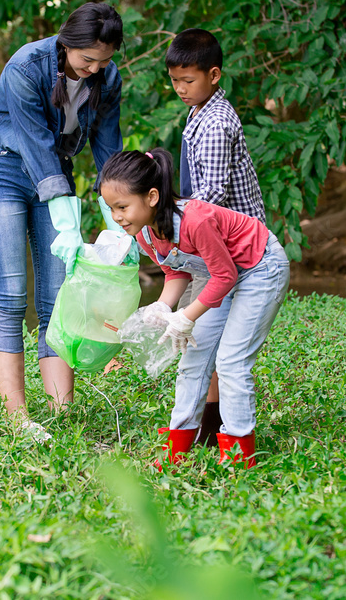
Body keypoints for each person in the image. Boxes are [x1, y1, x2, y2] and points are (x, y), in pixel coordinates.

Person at [0, 2, 124, 440]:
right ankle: (18, 418)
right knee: (12, 293)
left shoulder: (108, 80)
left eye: (105, 60)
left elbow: (107, 149)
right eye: (86, 59)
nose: (95, 69)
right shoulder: (26, 65)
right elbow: (35, 142)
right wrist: (65, 211)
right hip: (2, 172)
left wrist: (117, 216)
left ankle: (62, 410)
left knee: (58, 296)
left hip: (55, 173)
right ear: (66, 43)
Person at [99, 148, 289, 469]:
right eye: (110, 209)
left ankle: (240, 458)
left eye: (122, 207)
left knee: (230, 362)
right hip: (217, 274)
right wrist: (163, 306)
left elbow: (225, 275)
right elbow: (177, 270)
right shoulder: (145, 233)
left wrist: (186, 316)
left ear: (152, 197)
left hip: (259, 267)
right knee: (192, 361)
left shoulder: (195, 221)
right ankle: (177, 449)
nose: (117, 217)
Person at [165, 28, 267, 448]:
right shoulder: (200, 113)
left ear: (214, 74)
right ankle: (208, 427)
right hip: (217, 243)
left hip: (236, 248)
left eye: (188, 81)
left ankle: (217, 429)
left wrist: (174, 224)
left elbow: (212, 196)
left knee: (214, 339)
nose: (181, 89)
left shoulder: (217, 123)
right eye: (174, 81)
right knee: (204, 337)